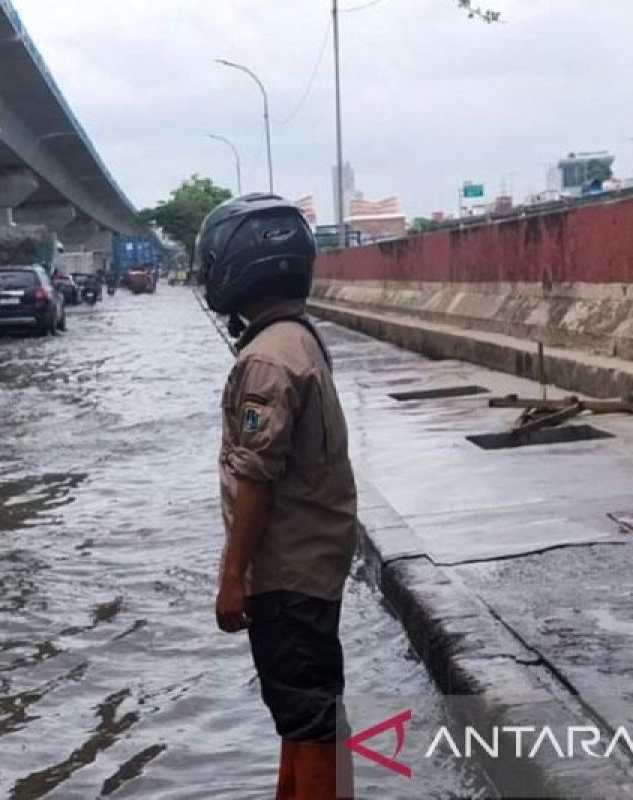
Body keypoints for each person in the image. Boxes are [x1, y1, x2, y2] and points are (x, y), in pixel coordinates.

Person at [196, 194, 358, 799]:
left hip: (287, 569)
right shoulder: (300, 338)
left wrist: (232, 576)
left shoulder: (265, 360)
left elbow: (256, 477)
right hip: (314, 559)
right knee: (307, 709)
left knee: (307, 715)